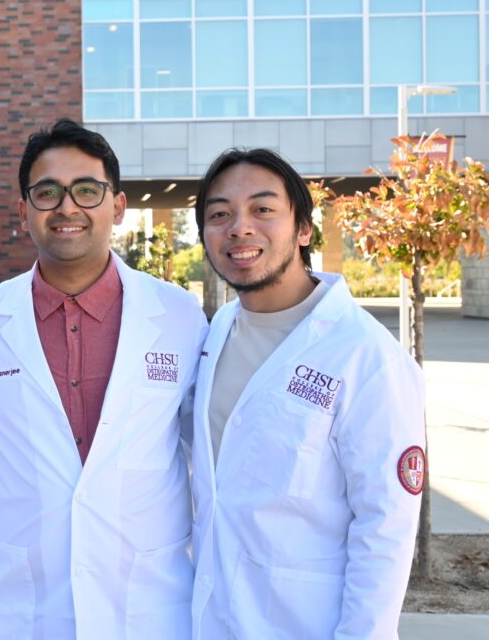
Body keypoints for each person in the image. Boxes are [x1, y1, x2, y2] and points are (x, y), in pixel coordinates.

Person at [0, 119, 208, 638]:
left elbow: (205, 455)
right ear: (25, 211)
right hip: (22, 608)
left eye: (87, 190)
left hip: (148, 605)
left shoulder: (179, 317)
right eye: (47, 192)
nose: (67, 207)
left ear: (117, 206)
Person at [190, 148, 425, 639]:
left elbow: (385, 527)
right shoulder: (216, 333)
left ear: (303, 230)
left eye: (263, 209)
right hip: (211, 620)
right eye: (219, 214)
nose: (239, 227)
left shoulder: (365, 356)